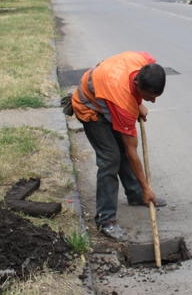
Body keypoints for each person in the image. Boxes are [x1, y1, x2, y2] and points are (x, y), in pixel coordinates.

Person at [71, 51, 167, 242]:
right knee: (111, 158)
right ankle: (105, 220)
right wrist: (147, 187)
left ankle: (136, 194)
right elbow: (132, 152)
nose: (153, 101)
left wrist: (139, 101)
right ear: (137, 84)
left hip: (107, 95)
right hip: (90, 106)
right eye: (149, 96)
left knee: (121, 149)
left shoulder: (145, 61)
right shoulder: (123, 102)